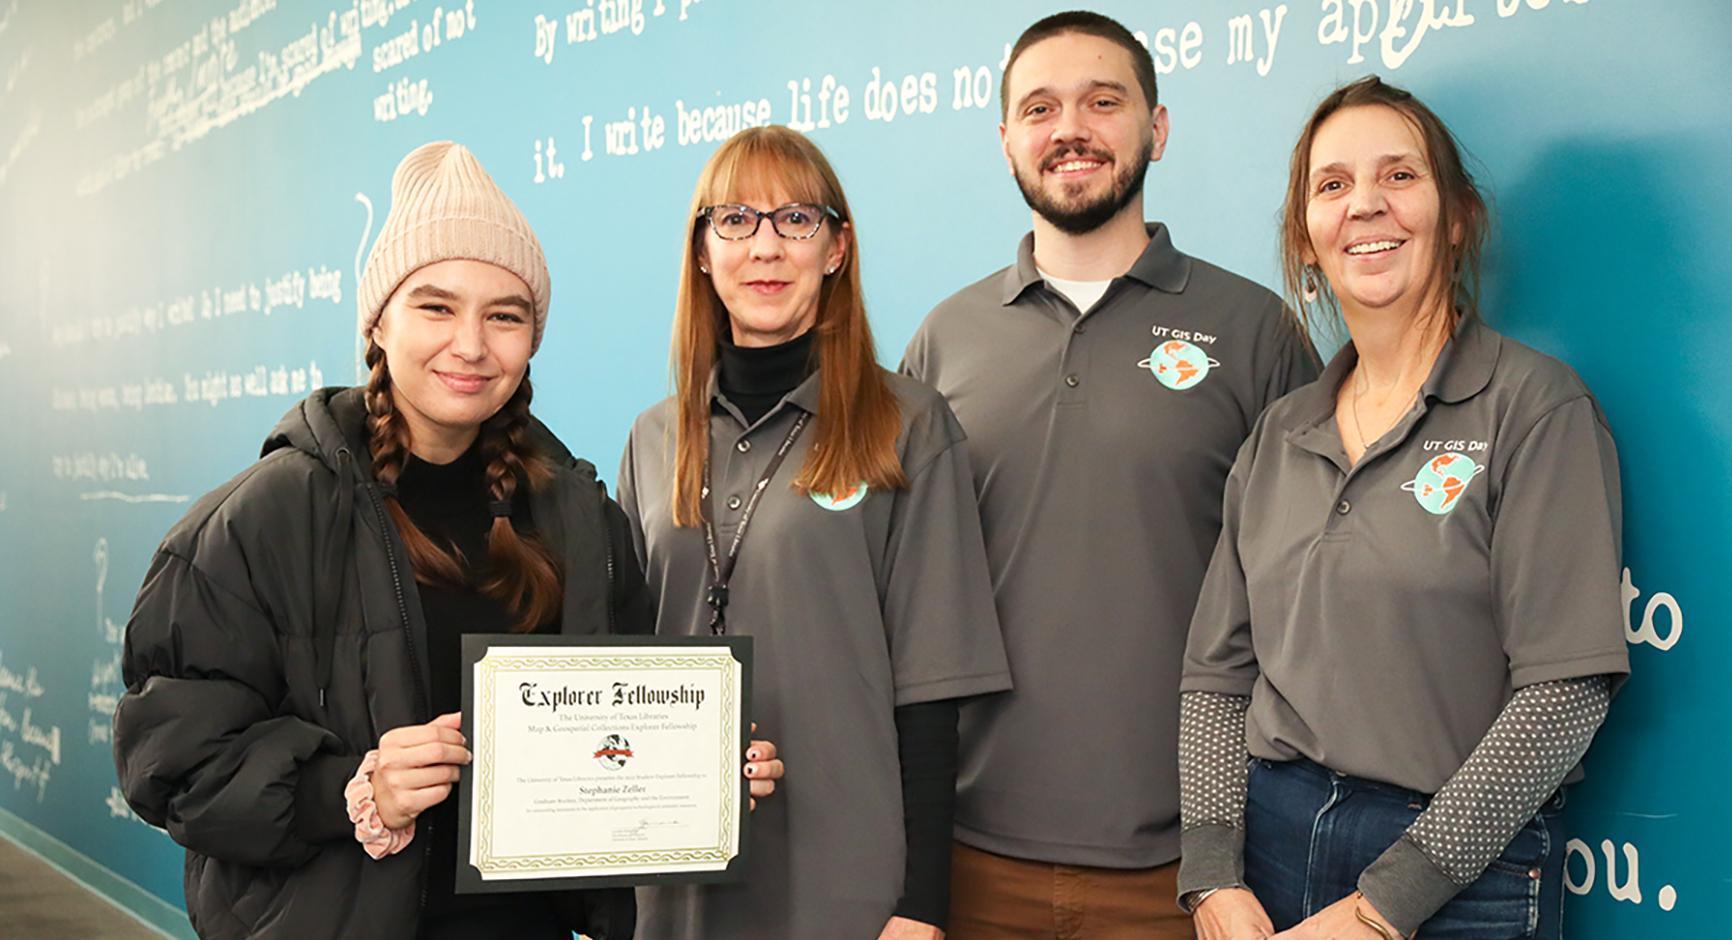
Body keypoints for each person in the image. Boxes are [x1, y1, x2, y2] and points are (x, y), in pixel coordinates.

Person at [112, 141, 781, 940]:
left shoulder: (580, 521)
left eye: (504, 315)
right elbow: (171, 760)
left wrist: (698, 771)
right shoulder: (265, 518)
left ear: (531, 339)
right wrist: (352, 790)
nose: (470, 345)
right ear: (380, 324)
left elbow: (618, 730)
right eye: (436, 307)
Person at [1176, 76, 1629, 940]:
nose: (1366, 206)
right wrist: (1210, 873)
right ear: (1306, 239)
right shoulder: (1279, 433)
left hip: (1462, 873)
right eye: (1333, 185)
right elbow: (1216, 678)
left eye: (1400, 176)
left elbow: (1564, 693)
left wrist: (1387, 905)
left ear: (1457, 216)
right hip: (1267, 854)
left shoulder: (1534, 409)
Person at [900, 12, 1319, 938]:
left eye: (1103, 101)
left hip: (1191, 873)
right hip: (970, 860)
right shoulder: (943, 340)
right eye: (1039, 107)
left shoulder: (1256, 335)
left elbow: (1311, 596)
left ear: (1156, 129)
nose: (1070, 129)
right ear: (1006, 139)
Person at [618, 125, 1012, 940]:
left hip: (846, 880)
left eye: (795, 220)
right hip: (678, 875)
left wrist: (921, 907)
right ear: (701, 251)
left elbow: (932, 692)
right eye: (735, 221)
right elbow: (618, 665)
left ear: (836, 248)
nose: (765, 246)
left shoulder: (906, 424)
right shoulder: (652, 439)